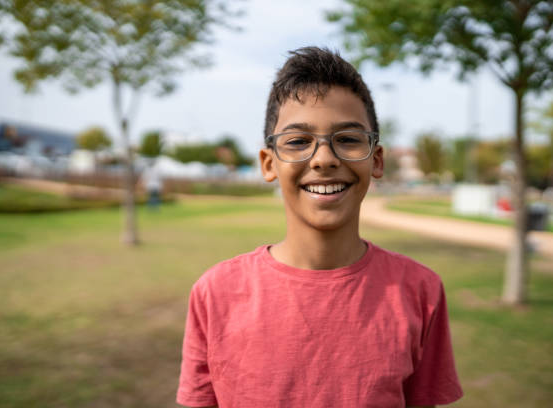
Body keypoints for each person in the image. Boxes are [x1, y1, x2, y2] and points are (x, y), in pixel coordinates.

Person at [176, 47, 463, 408]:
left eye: (347, 139)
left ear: (376, 160)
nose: (324, 159)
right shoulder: (215, 293)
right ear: (269, 164)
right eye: (298, 141)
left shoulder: (420, 292)